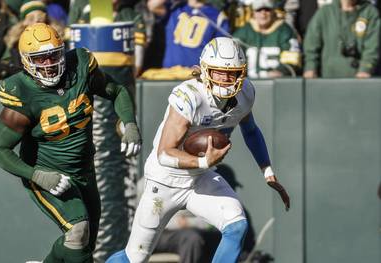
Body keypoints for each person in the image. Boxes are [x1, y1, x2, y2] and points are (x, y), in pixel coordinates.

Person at [107, 36, 290, 263]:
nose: (225, 79)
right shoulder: (190, 96)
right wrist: (204, 162)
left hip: (199, 179)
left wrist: (267, 170)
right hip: (165, 181)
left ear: (241, 73)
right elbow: (165, 152)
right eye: (218, 72)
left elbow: (251, 130)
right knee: (135, 257)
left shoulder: (245, 94)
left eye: (231, 73)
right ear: (205, 71)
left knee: (236, 224)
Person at [0, 23, 141, 263]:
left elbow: (117, 90)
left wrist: (129, 123)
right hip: (49, 174)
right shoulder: (22, 92)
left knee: (85, 247)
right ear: (26, 61)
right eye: (41, 58)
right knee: (78, 232)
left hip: (84, 171)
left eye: (53, 54)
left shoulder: (80, 67)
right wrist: (36, 175)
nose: (49, 64)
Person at [69, 1, 146, 261]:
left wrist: (130, 124)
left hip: (109, 145)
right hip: (82, 157)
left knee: (116, 181)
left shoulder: (128, 13)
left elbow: (120, 90)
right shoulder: (81, 9)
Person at [303, 0, 380, 78]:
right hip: (328, 77)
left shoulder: (369, 12)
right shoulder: (325, 12)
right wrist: (310, 68)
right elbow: (311, 45)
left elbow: (372, 47)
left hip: (359, 79)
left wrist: (365, 69)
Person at [233, 0, 301, 78]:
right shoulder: (243, 32)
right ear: (253, 13)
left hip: (276, 84)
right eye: (259, 10)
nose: (263, 13)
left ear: (273, 11)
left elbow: (292, 60)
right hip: (247, 83)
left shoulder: (285, 31)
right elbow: (233, 59)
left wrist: (280, 71)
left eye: (267, 10)